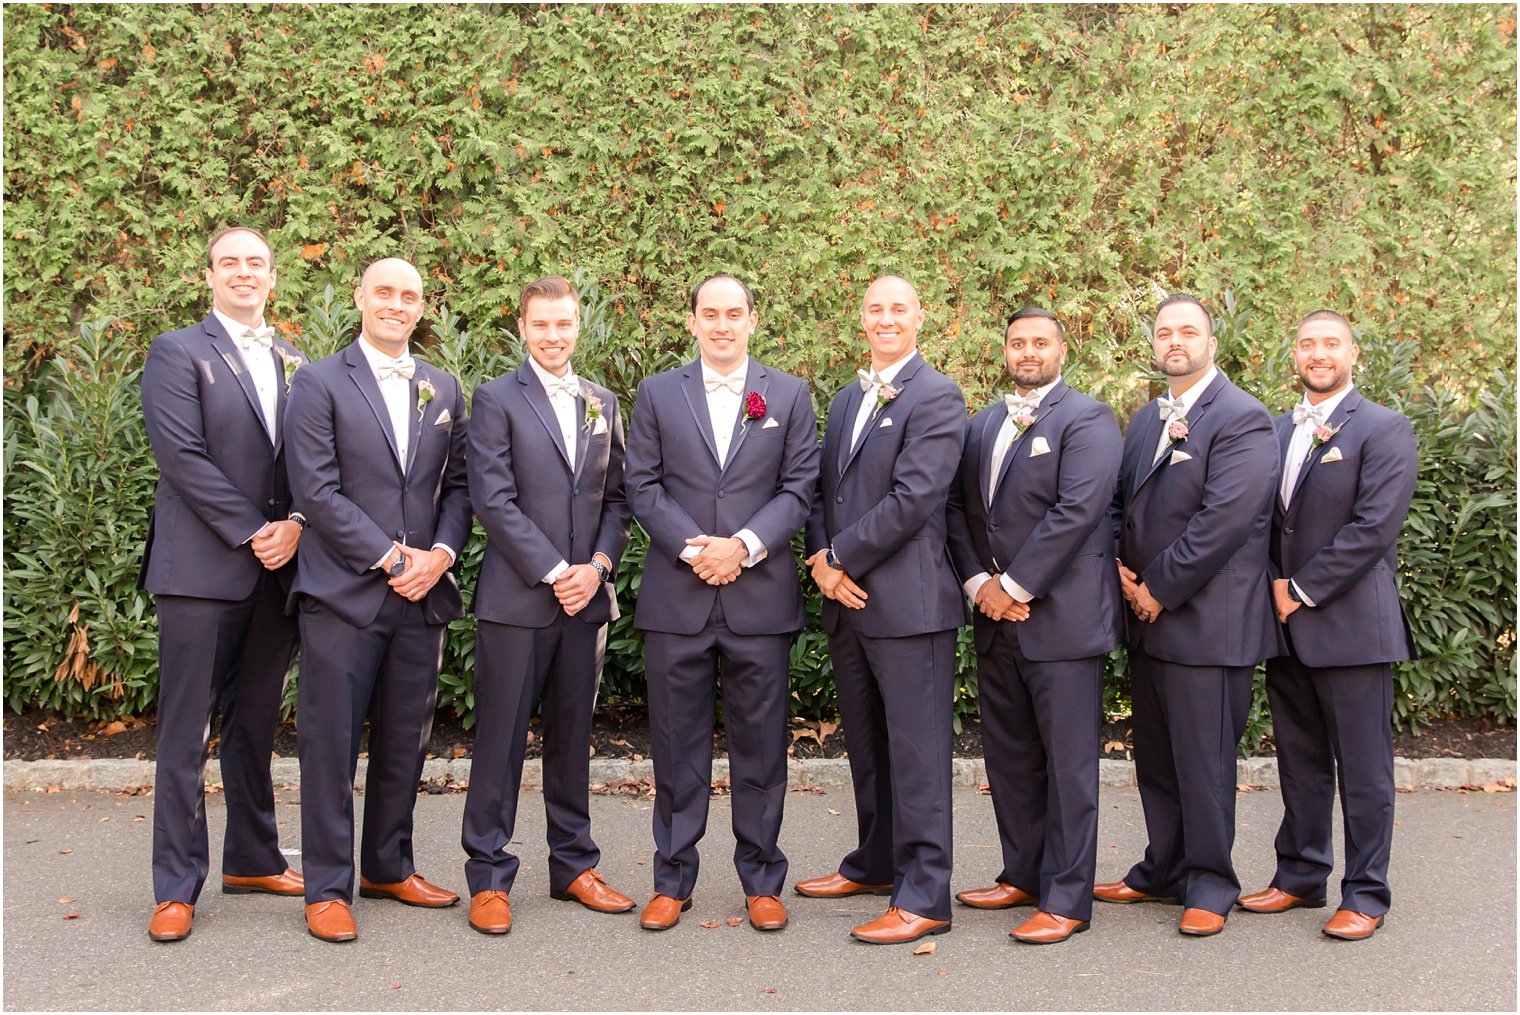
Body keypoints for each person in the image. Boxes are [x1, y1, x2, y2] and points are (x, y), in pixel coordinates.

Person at [624, 274, 820, 932]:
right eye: (710, 313)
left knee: (761, 747)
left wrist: (741, 546)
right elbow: (642, 486)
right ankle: (671, 879)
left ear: (753, 320)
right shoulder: (656, 393)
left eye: (734, 313)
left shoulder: (789, 395)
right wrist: (694, 549)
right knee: (675, 747)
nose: (722, 324)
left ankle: (762, 879)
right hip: (677, 598)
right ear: (692, 321)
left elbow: (798, 488)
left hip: (757, 597)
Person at [284, 257, 471, 943]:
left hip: (421, 594)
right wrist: (392, 557)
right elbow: (316, 488)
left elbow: (459, 488)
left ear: (422, 308)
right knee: (330, 743)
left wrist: (439, 557)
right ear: (360, 296)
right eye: (384, 291)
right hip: (343, 592)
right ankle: (328, 886)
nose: (396, 303)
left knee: (406, 740)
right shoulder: (319, 381)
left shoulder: (442, 386)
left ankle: (388, 865)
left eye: (409, 295)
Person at [139, 226, 307, 942]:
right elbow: (182, 455)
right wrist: (254, 529)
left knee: (256, 724)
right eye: (230, 262)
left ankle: (252, 854)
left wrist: (297, 520)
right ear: (208, 275)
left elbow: (316, 457)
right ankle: (176, 885)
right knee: (186, 733)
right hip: (203, 571)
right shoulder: (177, 352)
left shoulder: (299, 361)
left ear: (273, 279)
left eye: (256, 263)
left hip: (279, 573)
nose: (244, 272)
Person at [1101, 293, 1281, 937]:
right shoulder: (1149, 418)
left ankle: (1211, 882)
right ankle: (1165, 867)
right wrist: (1121, 568)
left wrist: (1159, 587)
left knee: (1205, 763)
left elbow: (1223, 523)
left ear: (1212, 341)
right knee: (1157, 755)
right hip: (1147, 617)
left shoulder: (1242, 418)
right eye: (1163, 332)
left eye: (1187, 331)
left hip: (1208, 622)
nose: (1173, 340)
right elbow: (1120, 501)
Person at [459, 275, 635, 935]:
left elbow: (619, 499)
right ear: (524, 328)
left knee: (573, 739)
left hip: (585, 603)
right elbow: (493, 500)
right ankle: (489, 874)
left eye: (564, 324)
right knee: (499, 740)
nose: (554, 335)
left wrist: (596, 567)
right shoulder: (497, 399)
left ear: (576, 326)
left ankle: (574, 864)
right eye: (542, 325)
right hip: (516, 601)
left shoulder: (603, 402)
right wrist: (557, 569)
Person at [796, 275, 967, 945]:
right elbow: (817, 491)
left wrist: (839, 558)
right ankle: (874, 861)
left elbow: (915, 496)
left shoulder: (937, 396)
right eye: (876, 308)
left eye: (899, 308)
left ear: (920, 318)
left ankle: (925, 893)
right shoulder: (845, 399)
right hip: (848, 602)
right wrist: (819, 559)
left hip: (908, 606)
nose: (886, 318)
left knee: (918, 754)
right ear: (860, 318)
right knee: (868, 747)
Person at [1236, 310, 1417, 941]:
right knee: (1300, 760)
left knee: (1364, 770)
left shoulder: (1385, 429)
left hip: (1350, 627)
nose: (1319, 353)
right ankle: (1300, 875)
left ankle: (1366, 894)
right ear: (1296, 354)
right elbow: (1260, 520)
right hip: (1283, 626)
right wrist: (1269, 594)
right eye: (1308, 343)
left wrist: (1301, 591)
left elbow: (1373, 528)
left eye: (1330, 343)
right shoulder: (1273, 430)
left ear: (1353, 354)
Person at [946, 307, 1123, 945]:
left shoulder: (1089, 419)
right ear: (1005, 350)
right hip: (996, 618)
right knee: (1012, 755)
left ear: (1062, 349)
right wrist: (977, 586)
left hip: (1063, 622)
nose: (1028, 352)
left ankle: (1069, 897)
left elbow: (1078, 511)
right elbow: (958, 509)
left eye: (1040, 342)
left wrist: (1012, 587)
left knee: (1069, 764)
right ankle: (1022, 872)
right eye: (1018, 342)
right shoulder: (983, 422)